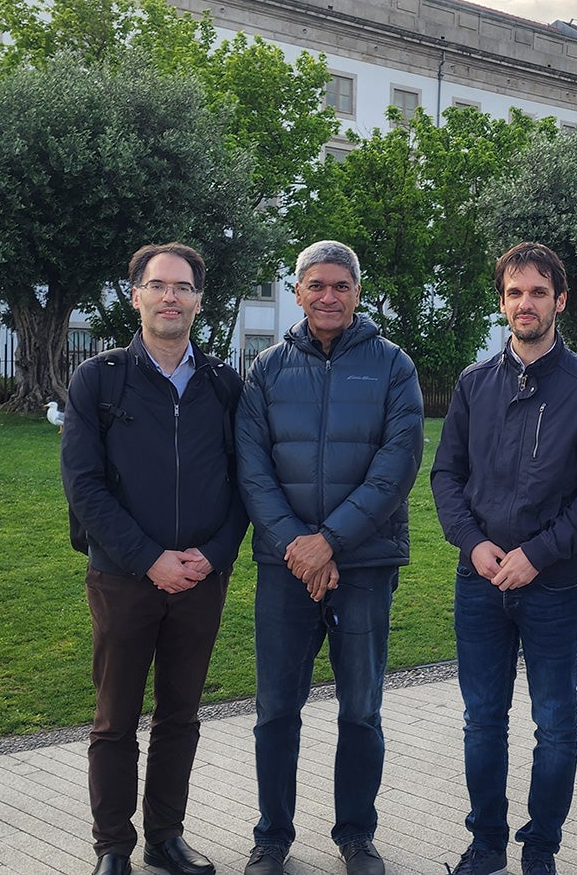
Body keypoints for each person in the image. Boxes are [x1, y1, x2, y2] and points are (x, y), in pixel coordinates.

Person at [431, 242, 577, 875]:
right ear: (503, 301)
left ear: (559, 301)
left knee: (555, 724)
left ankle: (541, 847)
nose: (525, 304)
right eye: (515, 293)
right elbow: (446, 476)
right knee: (482, 720)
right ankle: (486, 843)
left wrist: (538, 555)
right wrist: (475, 543)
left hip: (554, 586)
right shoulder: (473, 384)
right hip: (480, 580)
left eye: (538, 292)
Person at [235, 240, 424, 875]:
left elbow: (396, 466)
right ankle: (272, 835)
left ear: (357, 292)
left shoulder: (394, 367)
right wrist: (299, 545)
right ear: (298, 292)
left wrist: (330, 542)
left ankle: (356, 835)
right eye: (316, 285)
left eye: (340, 285)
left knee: (361, 709)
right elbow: (252, 469)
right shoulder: (264, 371)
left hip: (364, 567)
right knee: (275, 709)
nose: (328, 296)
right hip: (283, 566)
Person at [61, 242, 248, 875]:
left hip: (200, 578)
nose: (171, 296)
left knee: (180, 716)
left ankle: (166, 837)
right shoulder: (99, 379)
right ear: (134, 294)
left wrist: (214, 556)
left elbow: (245, 482)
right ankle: (113, 845)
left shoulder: (225, 385)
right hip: (122, 577)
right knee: (115, 719)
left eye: (184, 287)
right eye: (158, 285)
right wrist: (149, 560)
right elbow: (83, 486)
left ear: (199, 299)